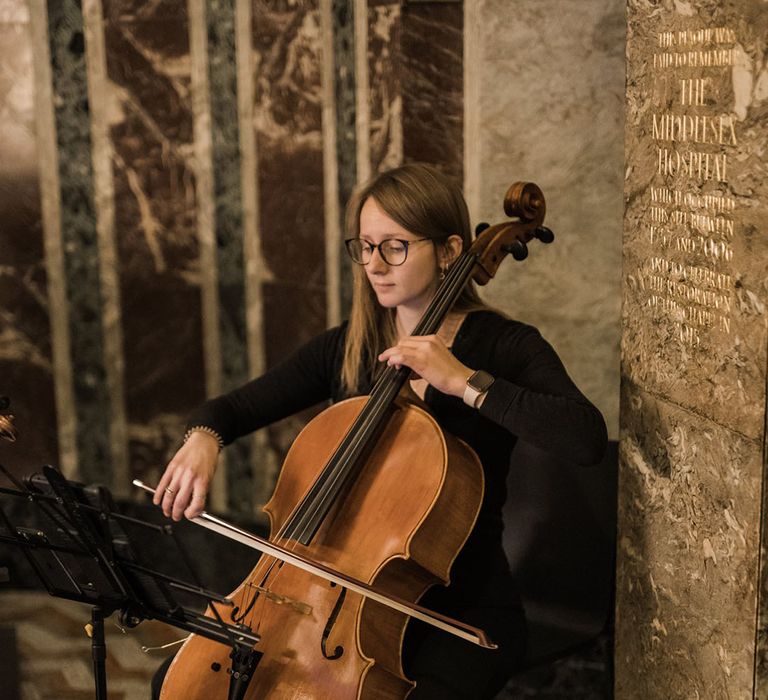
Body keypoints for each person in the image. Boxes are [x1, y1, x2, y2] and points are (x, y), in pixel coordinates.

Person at [152, 163, 607, 700]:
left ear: (449, 250)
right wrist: (203, 437)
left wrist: (465, 382)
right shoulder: (350, 346)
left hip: (460, 612)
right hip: (326, 606)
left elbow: (585, 437)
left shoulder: (503, 347)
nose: (374, 264)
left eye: (394, 247)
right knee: (176, 684)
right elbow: (227, 409)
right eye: (365, 247)